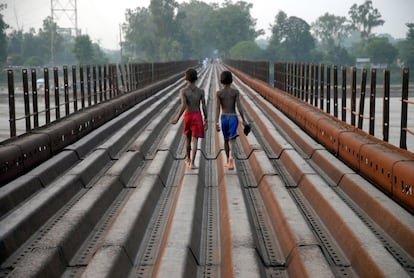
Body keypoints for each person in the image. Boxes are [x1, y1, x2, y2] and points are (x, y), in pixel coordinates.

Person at [171, 68, 208, 169]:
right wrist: (206, 119)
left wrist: (177, 118)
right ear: (196, 78)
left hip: (188, 115)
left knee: (188, 139)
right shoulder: (201, 91)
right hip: (197, 115)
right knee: (195, 140)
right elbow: (204, 105)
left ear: (186, 78)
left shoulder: (183, 91)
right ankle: (192, 163)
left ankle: (187, 159)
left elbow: (183, 105)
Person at [215, 70, 247, 170]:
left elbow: (217, 108)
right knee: (232, 140)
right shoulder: (235, 92)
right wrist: (243, 119)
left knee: (225, 140)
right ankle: (231, 157)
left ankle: (228, 160)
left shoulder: (219, 93)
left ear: (221, 81)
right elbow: (239, 106)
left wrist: (216, 121)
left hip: (224, 117)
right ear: (231, 80)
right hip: (233, 117)